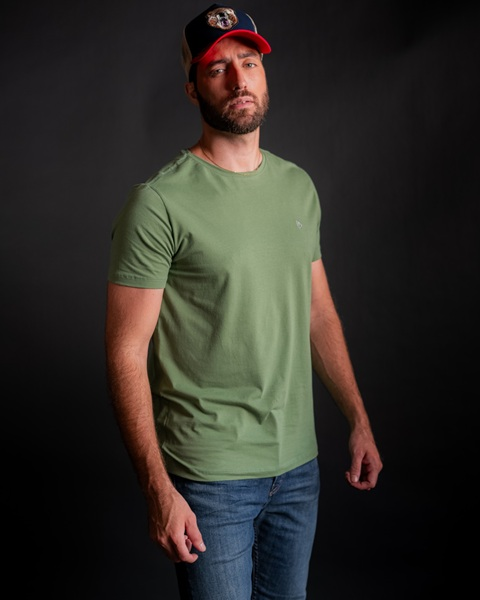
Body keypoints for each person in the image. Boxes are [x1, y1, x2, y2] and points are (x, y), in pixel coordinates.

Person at [105, 4, 383, 599]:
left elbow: (318, 313)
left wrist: (357, 420)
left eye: (249, 62)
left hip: (298, 470)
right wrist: (158, 489)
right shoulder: (158, 203)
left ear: (264, 74)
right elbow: (126, 351)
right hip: (209, 478)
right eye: (217, 68)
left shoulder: (297, 186)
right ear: (192, 89)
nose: (238, 79)